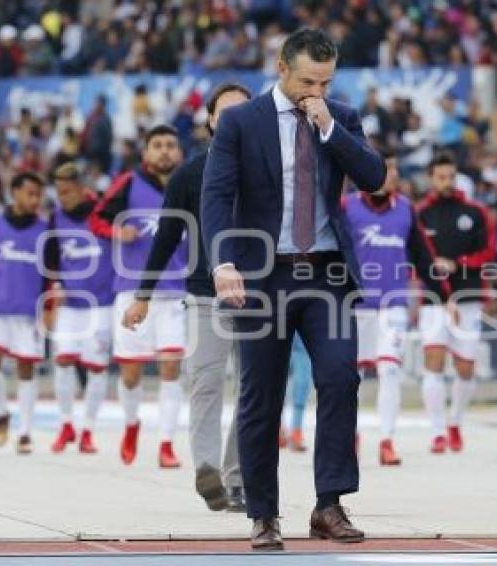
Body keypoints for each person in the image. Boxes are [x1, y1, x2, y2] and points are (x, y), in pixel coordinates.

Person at [201, 28, 386, 551]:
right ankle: (263, 513)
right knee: (261, 396)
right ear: (282, 68)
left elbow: (374, 177)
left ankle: (329, 503)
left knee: (340, 378)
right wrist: (223, 262)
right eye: (308, 80)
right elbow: (215, 199)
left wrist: (330, 129)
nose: (315, 91)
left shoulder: (340, 117)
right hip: (263, 275)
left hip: (325, 272)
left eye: (325, 82)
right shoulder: (240, 122)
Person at [121, 83, 251, 511]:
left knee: (255, 391)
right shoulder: (188, 175)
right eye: (224, 112)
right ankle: (209, 470)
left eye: (243, 112)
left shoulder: (272, 171)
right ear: (210, 121)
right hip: (203, 294)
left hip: (262, 297)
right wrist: (142, 294)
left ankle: (237, 478)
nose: (233, 119)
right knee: (206, 381)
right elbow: (165, 239)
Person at [342, 151, 449, 465]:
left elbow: (422, 254)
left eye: (394, 171)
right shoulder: (347, 207)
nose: (391, 176)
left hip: (393, 305)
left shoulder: (405, 209)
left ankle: (387, 440)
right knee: (352, 377)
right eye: (385, 170)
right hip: (356, 304)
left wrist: (444, 295)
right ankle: (351, 436)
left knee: (390, 370)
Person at [90, 125, 187, 468]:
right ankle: (131, 425)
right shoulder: (129, 183)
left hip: (176, 291)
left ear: (180, 153)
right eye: (157, 145)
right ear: (146, 153)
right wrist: (117, 230)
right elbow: (96, 219)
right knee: (130, 374)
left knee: (171, 366)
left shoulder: (190, 185)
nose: (164, 151)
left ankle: (166, 443)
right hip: (131, 291)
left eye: (170, 146)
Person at [415, 153, 496, 455]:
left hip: (468, 297)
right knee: (433, 360)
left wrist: (458, 264)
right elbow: (414, 255)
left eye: (451, 176)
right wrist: (431, 266)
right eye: (440, 177)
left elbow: (488, 252)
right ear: (431, 178)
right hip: (433, 298)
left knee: (465, 367)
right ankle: (437, 432)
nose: (446, 182)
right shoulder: (420, 213)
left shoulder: (476, 212)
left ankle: (455, 422)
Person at [0, 172, 48, 454]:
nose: (35, 199)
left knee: (26, 368)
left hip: (29, 312)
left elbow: (52, 273)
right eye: (30, 193)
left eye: (38, 195)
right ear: (14, 192)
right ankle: (2, 411)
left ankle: (25, 432)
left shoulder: (44, 230)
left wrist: (49, 306)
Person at [44, 163, 114, 454]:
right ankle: (66, 424)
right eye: (58, 192)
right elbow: (50, 261)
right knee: (62, 361)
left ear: (82, 188)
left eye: (67, 191)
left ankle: (88, 430)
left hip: (102, 304)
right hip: (70, 305)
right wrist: (52, 291)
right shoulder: (56, 218)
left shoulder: (104, 212)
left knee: (97, 368)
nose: (62, 198)